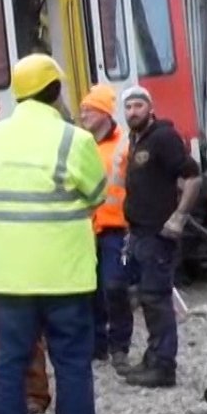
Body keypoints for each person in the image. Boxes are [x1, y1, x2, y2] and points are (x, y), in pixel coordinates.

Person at [0, 54, 109, 414]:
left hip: (9, 274)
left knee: (11, 362)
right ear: (55, 91)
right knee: (71, 364)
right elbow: (96, 193)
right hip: (64, 275)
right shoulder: (76, 140)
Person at [116, 85, 200, 389]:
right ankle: (153, 358)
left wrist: (179, 217)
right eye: (128, 107)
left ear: (150, 109)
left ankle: (164, 366)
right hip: (139, 232)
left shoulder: (163, 137)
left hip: (157, 234)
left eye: (138, 106)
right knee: (149, 300)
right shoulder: (136, 139)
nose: (132, 112)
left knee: (157, 299)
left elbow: (192, 176)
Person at [78, 84, 132, 365]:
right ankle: (97, 344)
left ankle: (120, 345)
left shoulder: (124, 144)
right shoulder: (80, 143)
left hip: (116, 227)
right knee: (91, 288)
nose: (83, 113)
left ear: (104, 113)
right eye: (83, 109)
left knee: (114, 285)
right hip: (86, 228)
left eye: (89, 109)